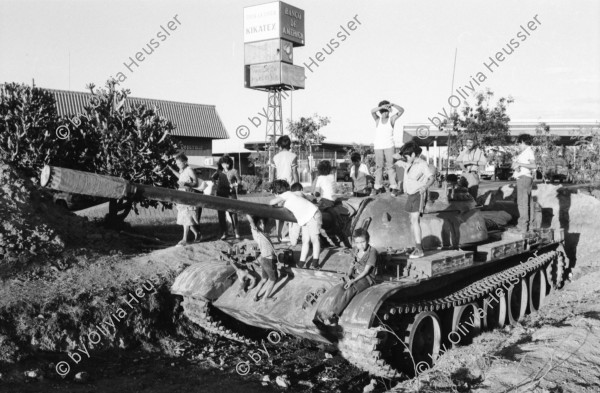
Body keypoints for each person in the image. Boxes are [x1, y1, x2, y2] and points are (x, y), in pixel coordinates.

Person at [315, 228, 378, 326]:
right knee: (341, 288)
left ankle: (333, 316)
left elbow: (366, 271)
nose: (361, 245)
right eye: (357, 242)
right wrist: (348, 276)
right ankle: (326, 312)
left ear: (368, 240)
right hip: (356, 275)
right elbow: (352, 265)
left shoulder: (372, 252)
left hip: (367, 278)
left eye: (363, 242)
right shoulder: (356, 250)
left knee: (350, 289)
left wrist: (353, 281)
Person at [269, 180, 322, 269]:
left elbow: (271, 202)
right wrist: (279, 233)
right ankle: (301, 262)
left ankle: (315, 262)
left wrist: (277, 198)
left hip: (313, 215)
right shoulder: (287, 200)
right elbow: (282, 218)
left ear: (277, 192)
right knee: (305, 240)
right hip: (306, 219)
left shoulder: (287, 194)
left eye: (274, 193)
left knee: (314, 239)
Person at [399, 141, 435, 258]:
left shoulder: (422, 164)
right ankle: (416, 246)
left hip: (418, 194)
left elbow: (431, 178)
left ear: (413, 154)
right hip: (410, 195)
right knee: (412, 221)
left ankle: (419, 249)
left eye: (407, 156)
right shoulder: (410, 163)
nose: (405, 158)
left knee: (415, 221)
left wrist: (425, 187)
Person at [370, 100, 404, 196]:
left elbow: (402, 111)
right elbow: (372, 111)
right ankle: (378, 186)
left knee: (390, 166)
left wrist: (393, 105)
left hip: (389, 145)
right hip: (378, 146)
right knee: (379, 167)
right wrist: (382, 107)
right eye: (382, 111)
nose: (384, 113)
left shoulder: (392, 119)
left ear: (389, 111)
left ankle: (393, 186)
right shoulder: (377, 120)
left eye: (386, 111)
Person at [168, 152, 201, 246]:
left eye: (179, 163)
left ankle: (184, 239)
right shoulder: (182, 171)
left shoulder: (189, 169)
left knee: (187, 217)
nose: (178, 165)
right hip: (182, 197)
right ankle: (197, 233)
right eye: (177, 164)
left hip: (189, 196)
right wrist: (171, 170)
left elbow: (196, 183)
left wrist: (186, 184)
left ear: (185, 162)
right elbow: (181, 177)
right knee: (184, 218)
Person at [272, 135, 299, 242]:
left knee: (278, 212)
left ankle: (279, 235)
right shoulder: (293, 156)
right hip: (289, 187)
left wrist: (272, 186)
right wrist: (297, 186)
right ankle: (287, 235)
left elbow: (273, 173)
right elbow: (295, 173)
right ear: (290, 145)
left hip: (278, 186)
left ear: (279, 146)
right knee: (289, 211)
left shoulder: (275, 157)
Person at [246, 215, 279, 301]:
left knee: (264, 279)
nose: (262, 225)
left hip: (264, 259)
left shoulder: (264, 233)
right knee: (273, 280)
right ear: (256, 225)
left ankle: (255, 296)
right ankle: (265, 297)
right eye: (260, 224)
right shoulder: (257, 233)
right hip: (268, 260)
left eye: (263, 223)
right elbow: (251, 222)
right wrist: (247, 213)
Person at [511, 134, 537, 233]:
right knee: (527, 203)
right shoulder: (525, 152)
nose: (518, 146)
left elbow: (533, 165)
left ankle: (522, 226)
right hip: (523, 177)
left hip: (524, 178)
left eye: (519, 143)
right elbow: (521, 166)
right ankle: (529, 226)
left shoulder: (528, 151)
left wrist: (519, 164)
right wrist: (516, 165)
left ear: (523, 142)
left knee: (522, 203)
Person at [212, 154, 241, 240]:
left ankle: (236, 232)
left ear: (230, 163)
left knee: (233, 213)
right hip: (220, 193)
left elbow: (239, 180)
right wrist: (215, 183)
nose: (225, 165)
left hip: (231, 194)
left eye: (227, 163)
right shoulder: (218, 171)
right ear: (221, 164)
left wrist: (234, 184)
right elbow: (213, 178)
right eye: (224, 163)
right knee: (221, 214)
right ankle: (224, 233)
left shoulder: (234, 171)